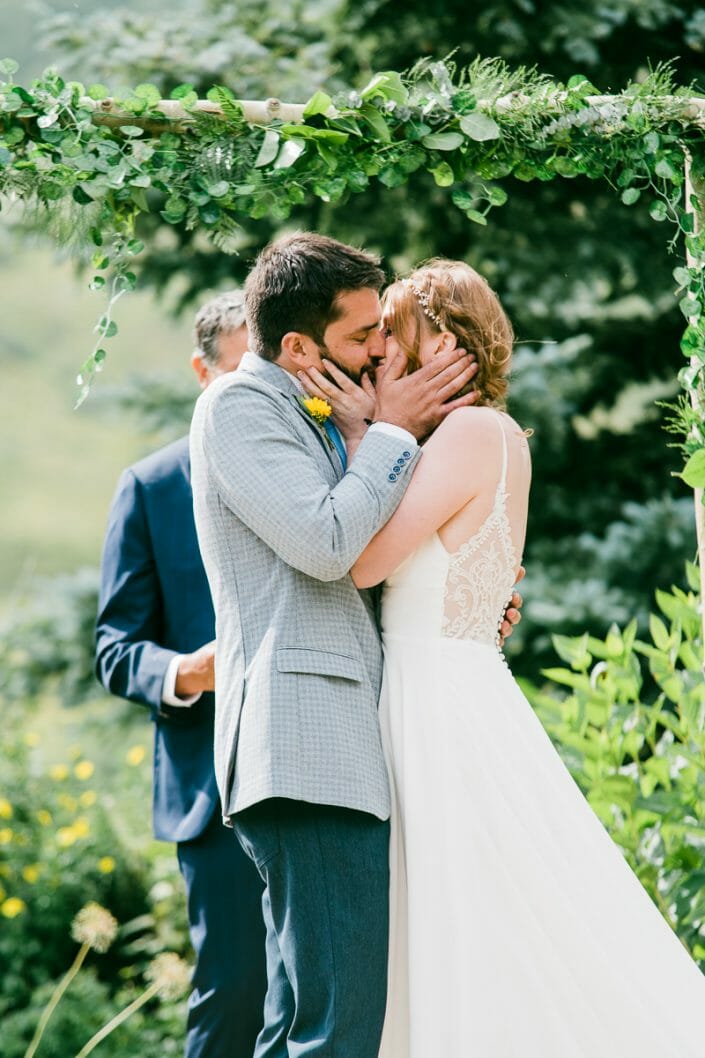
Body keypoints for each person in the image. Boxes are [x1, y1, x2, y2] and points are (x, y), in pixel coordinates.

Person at [326, 258, 705, 1057]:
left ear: (442, 345)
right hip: (439, 684)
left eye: (394, 333)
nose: (380, 353)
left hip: (439, 700)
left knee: (471, 908)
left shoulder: (469, 433)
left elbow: (360, 562)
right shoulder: (478, 436)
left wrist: (371, 428)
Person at [188, 232, 496, 1058]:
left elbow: (370, 546)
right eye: (362, 334)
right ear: (296, 344)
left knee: (304, 1024)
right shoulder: (240, 408)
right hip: (304, 750)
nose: (377, 351)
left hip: (336, 751)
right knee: (338, 1032)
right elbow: (327, 545)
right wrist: (391, 433)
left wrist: (456, 597)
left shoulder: (318, 408)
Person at [95, 291, 267, 1058]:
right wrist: (186, 674)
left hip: (327, 767)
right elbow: (114, 646)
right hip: (213, 786)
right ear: (202, 372)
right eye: (240, 375)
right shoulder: (152, 486)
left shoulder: (320, 460)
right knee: (232, 992)